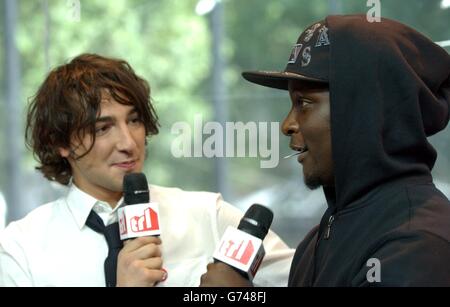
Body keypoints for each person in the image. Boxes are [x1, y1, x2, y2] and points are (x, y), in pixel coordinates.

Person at [0, 54, 294, 287]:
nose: (128, 143)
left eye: (135, 121)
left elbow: (314, 278)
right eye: (103, 128)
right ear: (60, 142)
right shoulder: (22, 247)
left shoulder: (207, 215)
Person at [200, 15, 450, 287]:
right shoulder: (318, 239)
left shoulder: (418, 243)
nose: (287, 125)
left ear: (364, 112)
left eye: (304, 103)